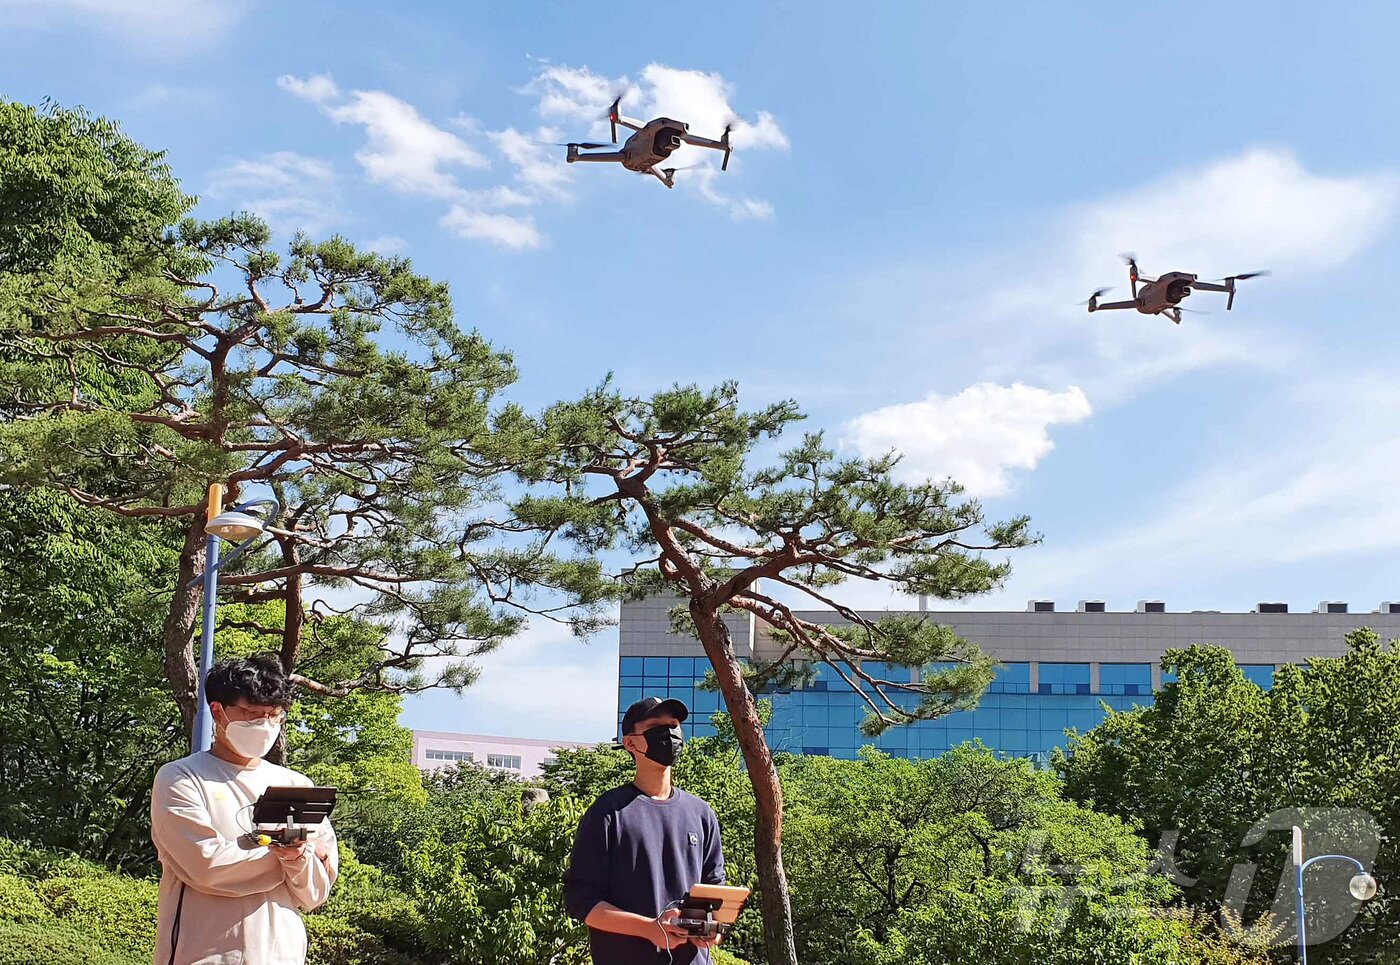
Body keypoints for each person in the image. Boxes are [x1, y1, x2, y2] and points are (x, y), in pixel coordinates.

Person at [151, 654, 339, 965]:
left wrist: (296, 858)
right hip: (204, 956)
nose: (264, 725)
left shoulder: (296, 785)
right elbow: (207, 867)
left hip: (282, 956)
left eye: (274, 715)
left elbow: (315, 892)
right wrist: (287, 857)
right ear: (218, 711)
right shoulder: (182, 778)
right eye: (252, 714)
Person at [564, 696, 727, 964]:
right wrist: (650, 929)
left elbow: (715, 896)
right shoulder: (607, 813)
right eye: (656, 727)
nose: (669, 734)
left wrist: (711, 932)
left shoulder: (701, 813)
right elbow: (581, 902)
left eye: (674, 725)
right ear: (630, 743)